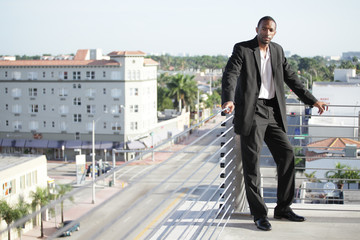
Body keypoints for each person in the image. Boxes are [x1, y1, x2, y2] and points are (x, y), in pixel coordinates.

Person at [221, 16, 328, 231]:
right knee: (252, 164)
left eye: (271, 30)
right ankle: (259, 215)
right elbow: (230, 74)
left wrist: (312, 100)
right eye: (264, 29)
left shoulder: (278, 51)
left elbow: (292, 79)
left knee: (287, 154)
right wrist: (228, 99)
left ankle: (283, 208)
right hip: (252, 112)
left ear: (275, 32)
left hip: (273, 111)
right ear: (257, 29)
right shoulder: (242, 49)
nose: (267, 33)